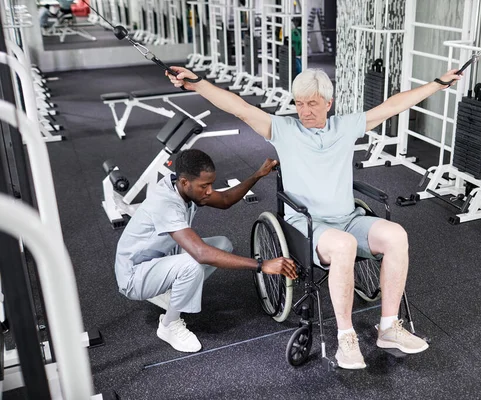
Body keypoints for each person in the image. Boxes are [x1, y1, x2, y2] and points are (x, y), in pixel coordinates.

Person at [166, 65, 460, 368]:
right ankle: (347, 339)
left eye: (312, 103)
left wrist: (437, 84)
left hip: (348, 218)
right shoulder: (282, 129)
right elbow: (238, 108)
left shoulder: (346, 126)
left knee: (397, 235)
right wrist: (199, 83)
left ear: (328, 104)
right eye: (299, 103)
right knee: (343, 245)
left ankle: (388, 327)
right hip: (307, 227)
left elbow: (394, 105)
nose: (304, 111)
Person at [114, 149, 297, 353]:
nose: (210, 191)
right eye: (204, 186)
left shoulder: (180, 184)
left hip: (156, 260)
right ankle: (169, 325)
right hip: (133, 277)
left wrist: (257, 175)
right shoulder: (166, 203)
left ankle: (171, 292)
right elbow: (200, 254)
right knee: (194, 262)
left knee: (223, 244)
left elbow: (225, 200)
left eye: (210, 184)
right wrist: (261, 265)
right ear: (185, 183)